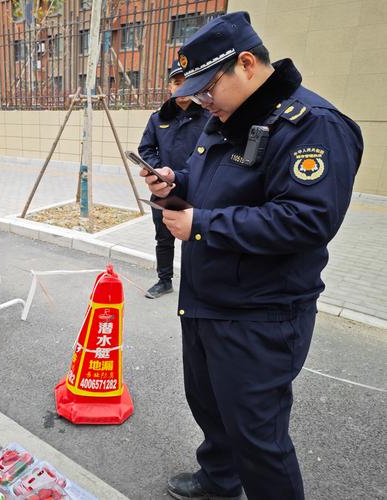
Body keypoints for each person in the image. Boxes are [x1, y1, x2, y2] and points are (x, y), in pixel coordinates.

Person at [140, 12, 363, 500]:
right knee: (211, 406)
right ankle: (219, 479)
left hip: (260, 312)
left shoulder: (311, 126)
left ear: (245, 63)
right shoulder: (227, 118)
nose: (200, 102)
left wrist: (201, 223)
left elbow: (308, 220)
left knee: (258, 438)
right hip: (207, 298)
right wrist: (176, 183)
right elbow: (215, 184)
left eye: (206, 89)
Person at [138, 60, 209, 298]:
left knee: (195, 238)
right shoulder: (158, 118)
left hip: (197, 189)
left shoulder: (208, 118)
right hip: (165, 190)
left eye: (187, 83)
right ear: (170, 86)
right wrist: (159, 172)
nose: (181, 88)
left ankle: (196, 286)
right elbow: (146, 149)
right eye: (177, 82)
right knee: (164, 238)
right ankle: (164, 281)